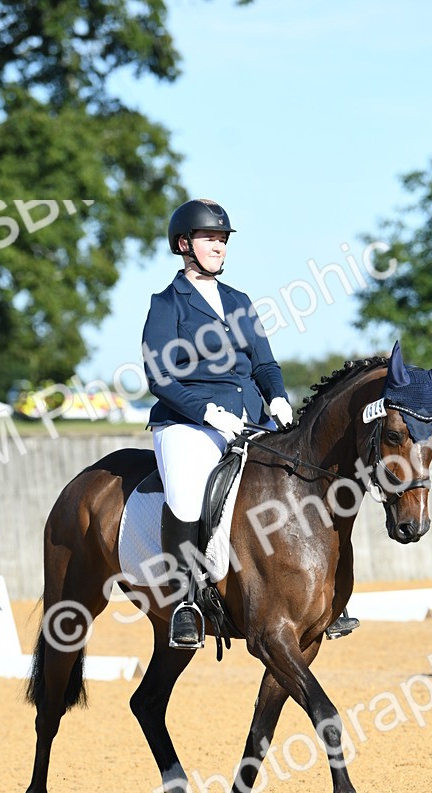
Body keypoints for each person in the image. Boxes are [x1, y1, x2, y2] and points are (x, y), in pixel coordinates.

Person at [142, 198, 358, 648]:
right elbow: (159, 376)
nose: (219, 245)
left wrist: (277, 396)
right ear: (184, 244)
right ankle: (184, 601)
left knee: (298, 482)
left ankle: (317, 597)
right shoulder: (167, 304)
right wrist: (204, 411)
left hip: (249, 420)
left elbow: (264, 362)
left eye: (222, 238)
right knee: (185, 496)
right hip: (188, 423)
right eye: (209, 238)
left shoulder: (238, 301)